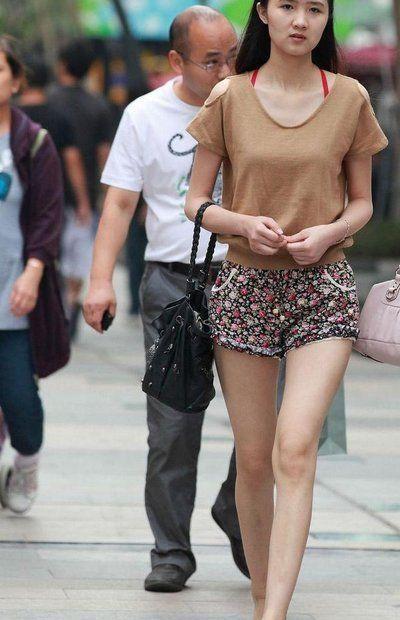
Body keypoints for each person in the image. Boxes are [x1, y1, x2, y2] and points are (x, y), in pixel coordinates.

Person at [185, 1, 388, 618]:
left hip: (323, 289)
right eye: (287, 6)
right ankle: (259, 598)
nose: (301, 20)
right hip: (245, 287)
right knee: (254, 461)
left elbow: (362, 203)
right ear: (264, 14)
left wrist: (329, 233)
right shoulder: (229, 96)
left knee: (295, 448)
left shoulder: (349, 97)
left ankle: (274, 613)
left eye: (315, 8)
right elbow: (195, 202)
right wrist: (242, 223)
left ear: (327, 19)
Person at [83, 6, 248, 592]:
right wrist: (100, 280)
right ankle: (172, 551)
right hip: (175, 285)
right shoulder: (144, 115)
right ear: (176, 61)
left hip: (251, 279)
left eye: (233, 57)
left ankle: (237, 507)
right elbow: (120, 203)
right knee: (173, 425)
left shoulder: (255, 102)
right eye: (211, 61)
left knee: (276, 421)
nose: (225, 70)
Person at [0, 36, 69, 515]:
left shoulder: (34, 142)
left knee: (21, 401)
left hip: (14, 291)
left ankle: (26, 463)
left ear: (16, 80)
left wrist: (33, 272)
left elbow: (48, 215)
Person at [18, 56, 92, 336]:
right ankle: (59, 310)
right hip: (54, 202)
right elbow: (72, 161)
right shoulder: (58, 116)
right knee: (52, 257)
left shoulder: (12, 117)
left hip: (17, 201)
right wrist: (82, 201)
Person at [49, 39, 114, 334]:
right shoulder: (98, 104)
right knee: (77, 256)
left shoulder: (49, 100)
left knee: (52, 254)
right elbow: (104, 154)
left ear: (62, 64)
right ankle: (70, 302)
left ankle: (58, 307)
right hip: (83, 195)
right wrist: (105, 195)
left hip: (48, 192)